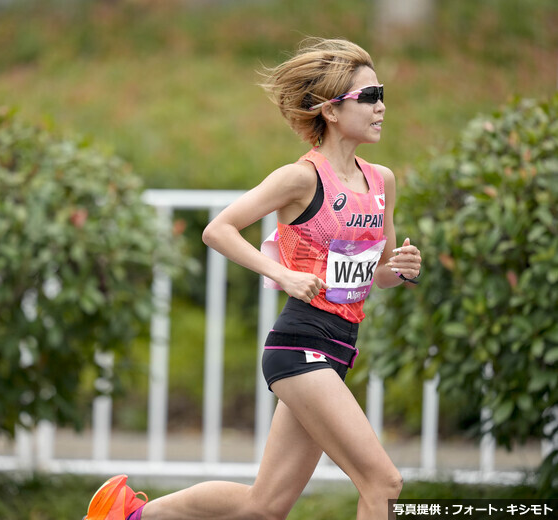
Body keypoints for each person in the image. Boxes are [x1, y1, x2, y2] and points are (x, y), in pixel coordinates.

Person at [84, 37, 422, 520]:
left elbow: (379, 275)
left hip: (341, 348)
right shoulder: (301, 178)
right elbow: (217, 230)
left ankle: (131, 516)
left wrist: (400, 269)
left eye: (382, 93)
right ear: (330, 109)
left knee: (263, 508)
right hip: (301, 345)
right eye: (369, 97)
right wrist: (282, 272)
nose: (381, 107)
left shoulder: (382, 180)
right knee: (383, 482)